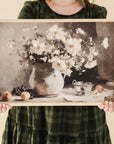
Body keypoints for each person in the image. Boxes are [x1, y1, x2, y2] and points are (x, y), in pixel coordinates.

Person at [0, 0, 114, 143]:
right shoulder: (32, 9)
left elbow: (100, 64)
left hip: (82, 114)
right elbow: (25, 58)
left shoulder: (96, 13)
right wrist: (8, 100)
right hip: (37, 111)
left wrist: (108, 99)